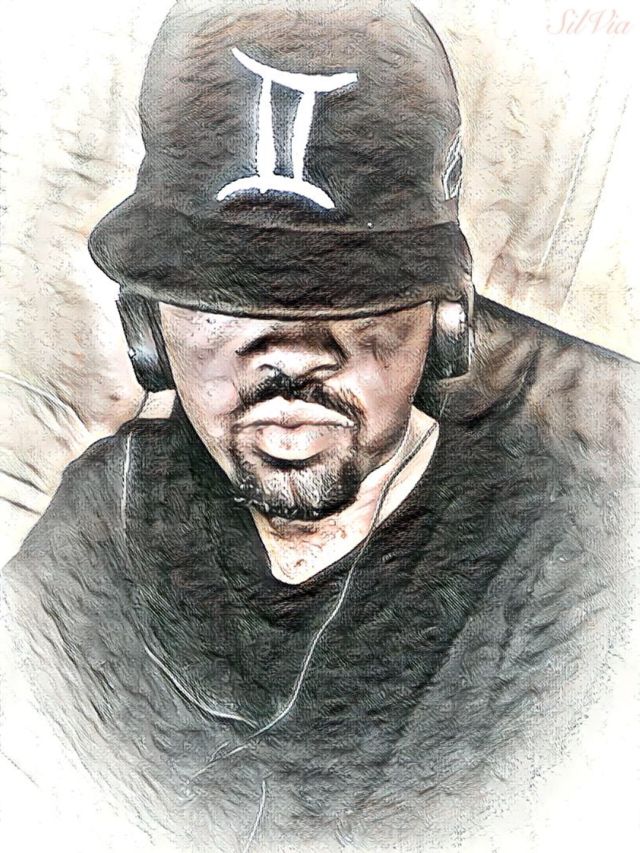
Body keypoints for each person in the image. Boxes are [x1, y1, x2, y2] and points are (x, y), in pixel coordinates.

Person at [1, 1, 637, 851]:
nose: (295, 352)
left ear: (446, 323)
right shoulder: (103, 522)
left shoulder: (571, 566)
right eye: (231, 297)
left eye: (353, 294)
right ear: (149, 329)